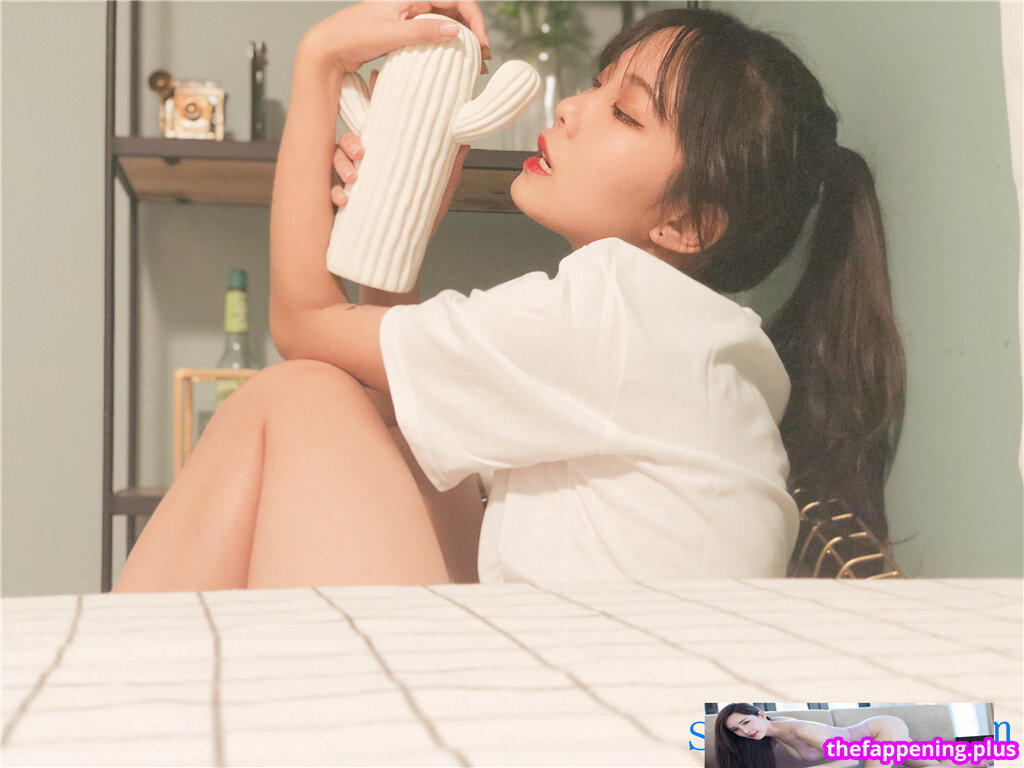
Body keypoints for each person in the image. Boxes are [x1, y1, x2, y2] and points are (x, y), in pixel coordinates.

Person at [112, 0, 905, 592]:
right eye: (596, 85)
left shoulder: (615, 309)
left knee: (299, 395)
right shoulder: (693, 340)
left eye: (624, 113)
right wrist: (399, 220)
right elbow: (414, 433)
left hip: (577, 716)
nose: (571, 108)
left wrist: (319, 64)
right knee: (360, 417)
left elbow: (303, 322)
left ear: (689, 223)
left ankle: (97, 704)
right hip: (590, 685)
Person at [714, 703, 991, 768]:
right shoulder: (771, 732)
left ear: (761, 714)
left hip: (880, 730)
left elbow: (849, 759)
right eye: (736, 730)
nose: (745, 731)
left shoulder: (800, 730)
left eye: (746, 722)